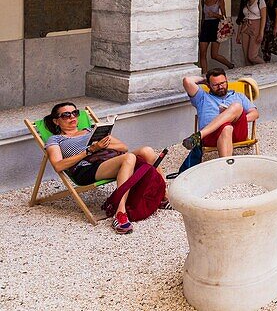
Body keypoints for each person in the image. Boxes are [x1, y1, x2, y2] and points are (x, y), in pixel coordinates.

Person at [42, 102, 160, 234]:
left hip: (109, 160)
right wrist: (89, 150)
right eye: (66, 115)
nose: (72, 117)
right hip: (86, 168)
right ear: (56, 121)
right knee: (129, 158)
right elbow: (58, 165)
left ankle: (162, 195)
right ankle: (120, 213)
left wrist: (101, 145)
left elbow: (123, 147)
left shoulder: (91, 130)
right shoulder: (56, 139)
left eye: (75, 113)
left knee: (147, 151)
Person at [182, 68, 259, 159]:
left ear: (227, 81)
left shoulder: (238, 96)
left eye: (223, 83)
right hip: (211, 137)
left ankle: (199, 135)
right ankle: (226, 168)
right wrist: (203, 80)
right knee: (226, 127)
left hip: (237, 133)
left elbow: (255, 114)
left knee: (236, 106)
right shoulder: (202, 97)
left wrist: (234, 118)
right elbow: (187, 81)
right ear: (209, 85)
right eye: (215, 85)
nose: (220, 87)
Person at [198, 0, 233, 74]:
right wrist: (201, 30)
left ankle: (230, 65)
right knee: (202, 53)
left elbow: (224, 17)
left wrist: (215, 14)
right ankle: (205, 74)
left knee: (214, 54)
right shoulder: (203, 1)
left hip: (216, 26)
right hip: (206, 26)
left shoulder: (220, 1)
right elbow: (203, 17)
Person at [235, 0, 265, 66]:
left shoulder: (260, 0)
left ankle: (266, 67)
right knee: (246, 58)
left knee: (252, 56)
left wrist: (261, 33)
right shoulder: (244, 2)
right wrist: (238, 35)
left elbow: (264, 17)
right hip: (245, 28)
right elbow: (241, 19)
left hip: (256, 27)